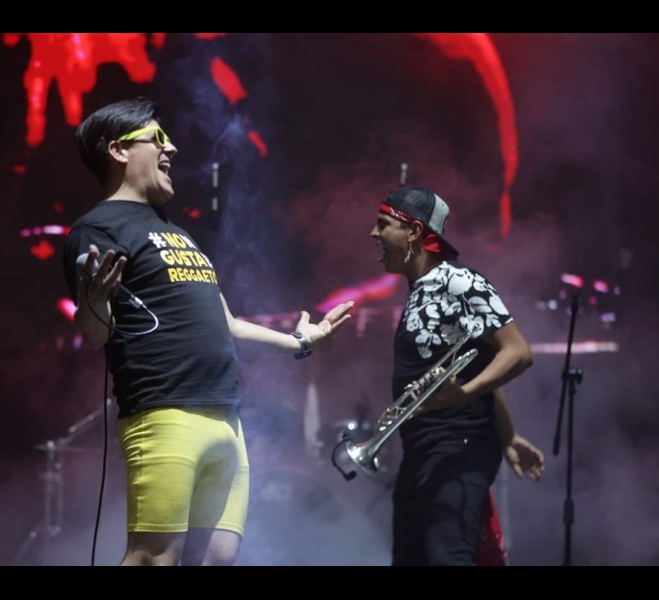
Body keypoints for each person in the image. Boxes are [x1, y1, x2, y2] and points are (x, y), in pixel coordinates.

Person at [62, 97, 354, 566]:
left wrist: (302, 342)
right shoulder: (96, 229)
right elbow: (97, 334)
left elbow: (227, 323)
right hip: (164, 412)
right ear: (117, 150)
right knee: (154, 558)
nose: (172, 148)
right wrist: (94, 300)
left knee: (220, 554)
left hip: (225, 418)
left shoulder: (178, 232)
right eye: (158, 138)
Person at [369, 185, 540, 566]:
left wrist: (464, 394)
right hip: (422, 451)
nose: (373, 233)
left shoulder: (458, 280)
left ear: (414, 232)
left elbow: (517, 352)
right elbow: (477, 361)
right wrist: (509, 435)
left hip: (458, 447)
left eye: (383, 224)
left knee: (448, 557)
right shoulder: (420, 290)